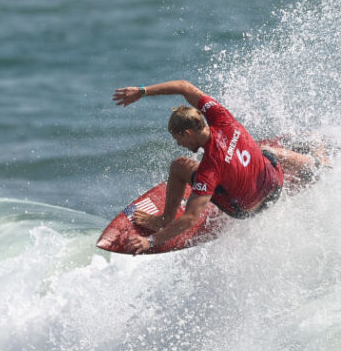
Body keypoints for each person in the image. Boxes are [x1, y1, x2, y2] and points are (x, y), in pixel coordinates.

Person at [112, 80, 321, 254]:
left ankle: (164, 218)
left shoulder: (208, 170)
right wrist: (142, 91)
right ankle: (315, 166)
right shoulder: (222, 117)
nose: (179, 144)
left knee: (178, 166)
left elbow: (189, 219)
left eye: (179, 139)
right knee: (266, 150)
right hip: (276, 187)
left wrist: (151, 241)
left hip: (248, 209)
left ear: (187, 133)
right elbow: (185, 87)